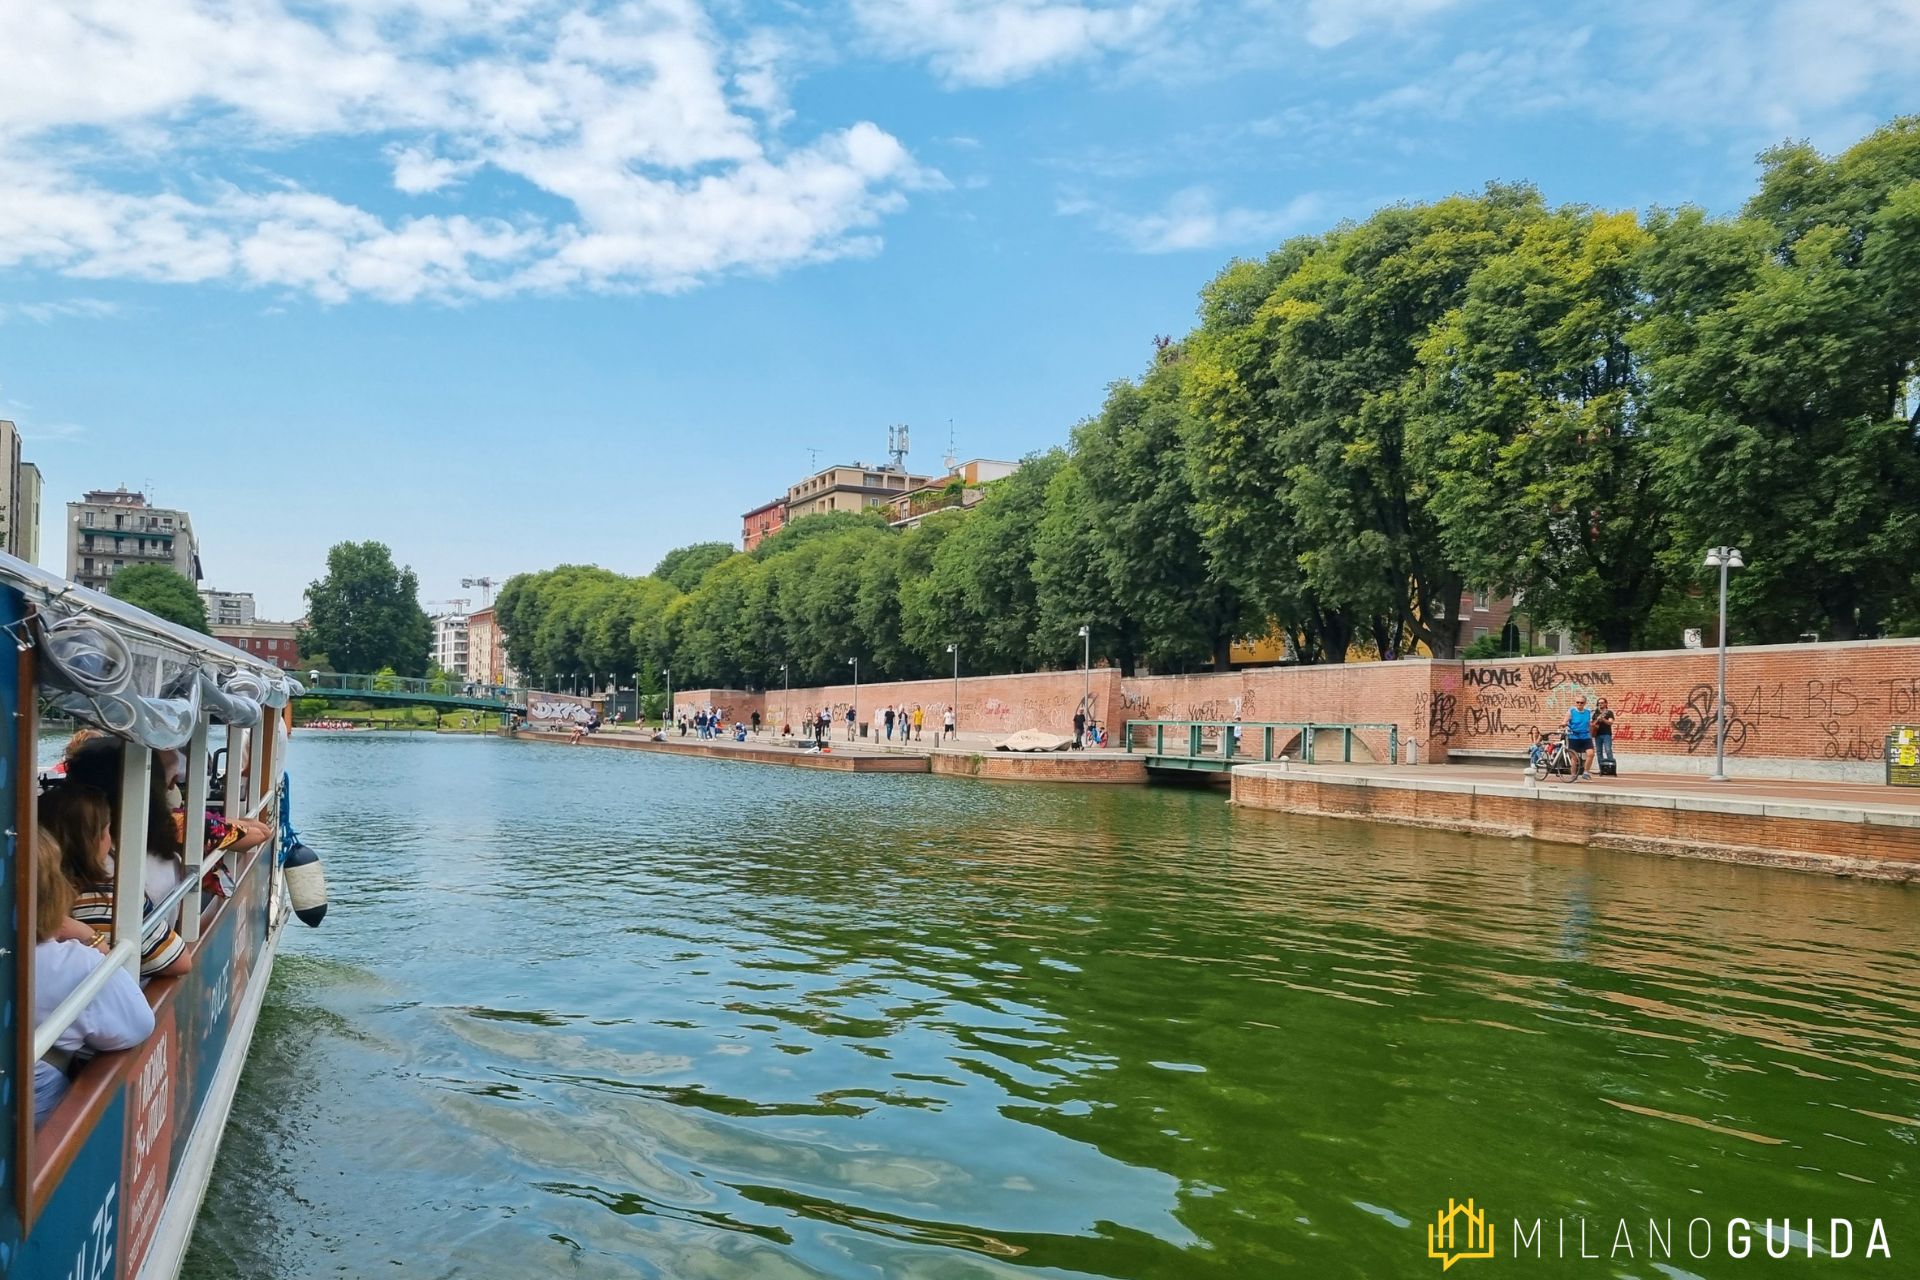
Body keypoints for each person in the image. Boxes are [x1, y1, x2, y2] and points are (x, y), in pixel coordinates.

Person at [32, 831, 155, 1124]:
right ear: (54, 891)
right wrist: (91, 937)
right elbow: (138, 1025)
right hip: (33, 1137)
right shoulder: (75, 965)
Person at [41, 782, 191, 979]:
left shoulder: (31, 899)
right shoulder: (113, 901)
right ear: (98, 840)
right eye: (108, 832)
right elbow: (180, 962)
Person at [1564, 693, 1595, 782]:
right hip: (1574, 736)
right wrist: (1564, 723)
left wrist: (1591, 734)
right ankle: (1573, 775)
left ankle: (1586, 773)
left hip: (1585, 736)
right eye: (1577, 702)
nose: (1579, 704)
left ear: (1584, 703)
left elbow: (1589, 724)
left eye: (1581, 703)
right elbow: (1565, 720)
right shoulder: (1571, 711)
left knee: (1591, 754)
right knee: (1574, 757)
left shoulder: (1588, 712)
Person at [1593, 698, 1616, 774]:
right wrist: (1596, 720)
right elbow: (1593, 723)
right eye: (1599, 703)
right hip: (1597, 734)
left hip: (1606, 734)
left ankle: (1611, 768)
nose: (1600, 704)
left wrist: (1602, 719)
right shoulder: (1596, 713)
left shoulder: (1609, 712)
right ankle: (1602, 769)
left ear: (1606, 703)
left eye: (1602, 703)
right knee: (1599, 752)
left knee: (1608, 750)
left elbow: (1610, 722)